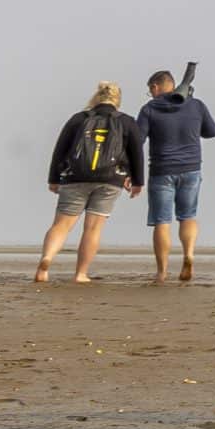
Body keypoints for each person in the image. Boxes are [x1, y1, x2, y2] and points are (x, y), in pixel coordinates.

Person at [36, 82, 144, 283]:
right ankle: (81, 274)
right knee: (93, 228)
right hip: (109, 180)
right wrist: (138, 181)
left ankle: (46, 260)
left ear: (96, 97)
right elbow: (136, 152)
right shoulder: (127, 122)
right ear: (117, 100)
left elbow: (60, 149)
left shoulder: (78, 119)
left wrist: (53, 178)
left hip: (75, 177)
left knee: (61, 225)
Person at [138, 70, 215, 284]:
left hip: (162, 170)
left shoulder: (149, 109)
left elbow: (138, 139)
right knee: (188, 216)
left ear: (156, 87)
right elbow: (212, 131)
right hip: (191, 168)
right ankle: (189, 254)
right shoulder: (196, 105)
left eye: (150, 90)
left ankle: (162, 272)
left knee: (162, 221)